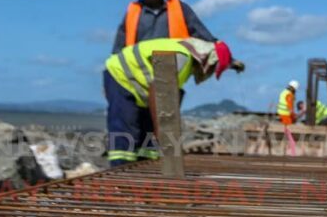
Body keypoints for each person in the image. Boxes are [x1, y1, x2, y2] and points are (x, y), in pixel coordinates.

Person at [104, 38, 243, 165]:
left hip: (141, 87)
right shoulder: (181, 57)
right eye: (213, 69)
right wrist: (162, 130)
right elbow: (157, 89)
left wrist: (234, 64)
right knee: (125, 133)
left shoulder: (188, 61)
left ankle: (147, 173)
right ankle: (120, 178)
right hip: (121, 76)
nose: (210, 73)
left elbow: (169, 95)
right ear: (207, 60)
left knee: (148, 138)